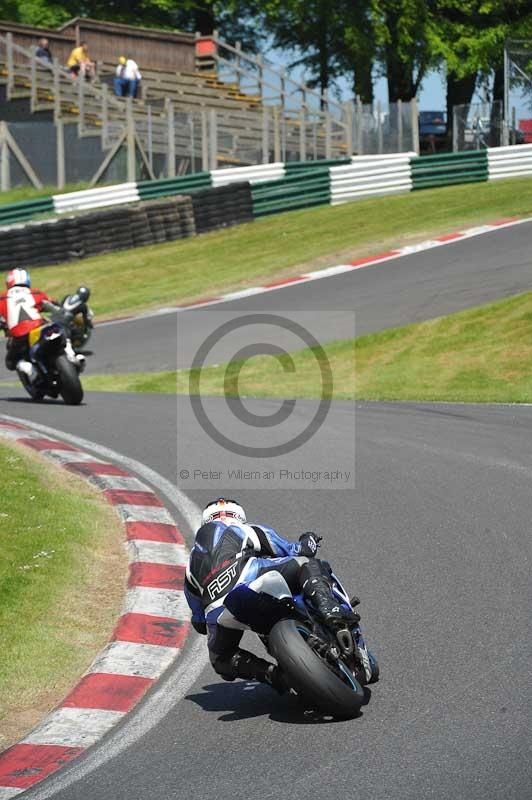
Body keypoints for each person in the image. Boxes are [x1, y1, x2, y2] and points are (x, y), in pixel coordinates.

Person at [184, 498, 359, 693]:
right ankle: (331, 613)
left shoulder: (190, 563)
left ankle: (273, 676)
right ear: (239, 516)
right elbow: (299, 550)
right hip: (248, 575)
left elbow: (199, 622)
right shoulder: (243, 528)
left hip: (218, 610)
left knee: (221, 659)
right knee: (305, 564)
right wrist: (308, 538)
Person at [0, 269, 55, 384]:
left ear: (9, 282)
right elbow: (53, 303)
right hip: (40, 328)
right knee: (57, 330)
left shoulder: (2, 299)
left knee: (11, 362)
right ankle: (72, 356)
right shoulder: (36, 292)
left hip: (20, 336)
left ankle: (29, 369)